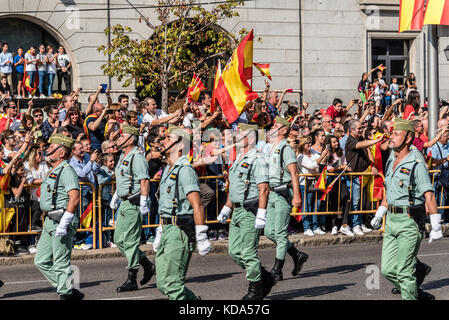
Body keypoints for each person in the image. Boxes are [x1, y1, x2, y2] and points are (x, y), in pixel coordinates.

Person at [370, 118, 441, 300]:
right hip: (392, 220)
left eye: (396, 134)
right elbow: (390, 188)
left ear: (408, 138)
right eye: (392, 133)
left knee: (404, 271)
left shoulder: (416, 162)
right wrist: (381, 211)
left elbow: (429, 195)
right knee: (387, 269)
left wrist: (436, 224)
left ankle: (411, 293)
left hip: (409, 222)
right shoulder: (392, 158)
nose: (391, 137)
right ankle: (416, 294)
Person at [151, 125, 211, 300]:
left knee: (172, 284)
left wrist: (201, 235)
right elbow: (165, 205)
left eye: (168, 138)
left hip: (180, 231)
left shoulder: (184, 170)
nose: (163, 141)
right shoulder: (168, 170)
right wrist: (160, 231)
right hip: (168, 229)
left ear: (180, 145)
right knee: (163, 283)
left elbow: (197, 205)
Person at [218, 123, 277, 300]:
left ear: (250, 138)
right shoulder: (238, 159)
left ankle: (255, 291)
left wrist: (261, 213)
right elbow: (235, 188)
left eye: (241, 134)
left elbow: (264, 188)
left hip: (250, 211)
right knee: (234, 252)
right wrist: (227, 208)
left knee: (248, 253)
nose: (236, 137)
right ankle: (265, 277)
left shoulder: (258, 159)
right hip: (237, 211)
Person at [34, 133, 84, 300]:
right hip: (49, 220)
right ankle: (68, 288)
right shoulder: (52, 170)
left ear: (61, 153)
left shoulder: (67, 171)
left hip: (61, 220)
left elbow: (74, 197)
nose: (48, 149)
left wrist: (65, 222)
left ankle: (65, 294)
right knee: (40, 261)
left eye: (52, 147)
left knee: (61, 262)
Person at [109, 124, 156, 292]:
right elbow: (123, 178)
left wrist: (144, 200)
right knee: (119, 239)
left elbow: (144, 180)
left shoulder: (137, 157)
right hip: (124, 201)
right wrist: (117, 195)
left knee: (129, 240)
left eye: (123, 136)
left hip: (133, 202)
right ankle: (147, 265)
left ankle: (132, 279)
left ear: (131, 139)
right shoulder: (123, 155)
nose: (119, 138)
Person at [262, 116, 308, 281]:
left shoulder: (285, 148)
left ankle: (277, 269)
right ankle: (296, 254)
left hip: (282, 192)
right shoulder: (271, 147)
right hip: (271, 193)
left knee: (280, 233)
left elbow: (294, 172)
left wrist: (296, 195)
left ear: (283, 130)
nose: (273, 126)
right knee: (269, 231)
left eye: (276, 125)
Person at [345, 119, 383, 236]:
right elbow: (360, 145)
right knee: (355, 202)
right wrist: (376, 140)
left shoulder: (362, 139)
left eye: (361, 128)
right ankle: (355, 224)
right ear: (351, 130)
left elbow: (368, 154)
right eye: (359, 129)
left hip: (364, 174)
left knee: (361, 202)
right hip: (354, 176)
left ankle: (360, 223)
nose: (361, 130)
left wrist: (371, 164)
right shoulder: (350, 141)